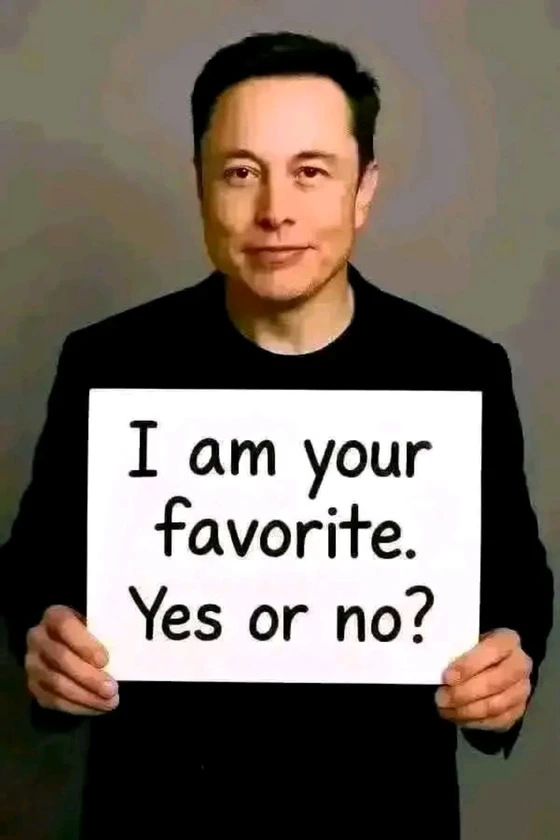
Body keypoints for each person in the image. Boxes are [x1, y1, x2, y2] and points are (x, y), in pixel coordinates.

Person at [0, 31, 553, 838]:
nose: (274, 211)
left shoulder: (458, 370)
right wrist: (46, 639)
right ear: (200, 186)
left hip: (382, 811)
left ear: (364, 190)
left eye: (311, 171)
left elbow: (514, 582)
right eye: (240, 172)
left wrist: (506, 659)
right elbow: (34, 565)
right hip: (161, 811)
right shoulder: (109, 363)